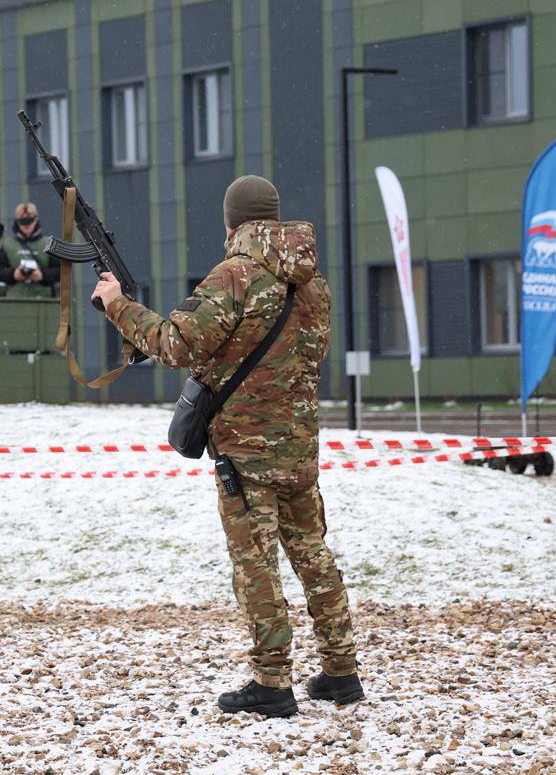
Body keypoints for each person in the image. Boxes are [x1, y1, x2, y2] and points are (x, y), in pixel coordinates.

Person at [92, 175, 360, 718]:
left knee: (255, 563)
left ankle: (272, 682)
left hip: (246, 451)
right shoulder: (314, 284)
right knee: (313, 554)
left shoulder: (233, 277)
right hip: (299, 447)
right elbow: (307, 354)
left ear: (231, 222)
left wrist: (118, 306)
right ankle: (341, 671)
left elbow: (175, 343)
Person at [0, 201, 60, 297]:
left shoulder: (48, 243)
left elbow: (61, 271)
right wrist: (13, 274)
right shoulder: (8, 244)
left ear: (36, 220)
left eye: (29, 221)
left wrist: (42, 275)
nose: (26, 225)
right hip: (16, 299)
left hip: (43, 300)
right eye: (22, 222)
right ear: (17, 222)